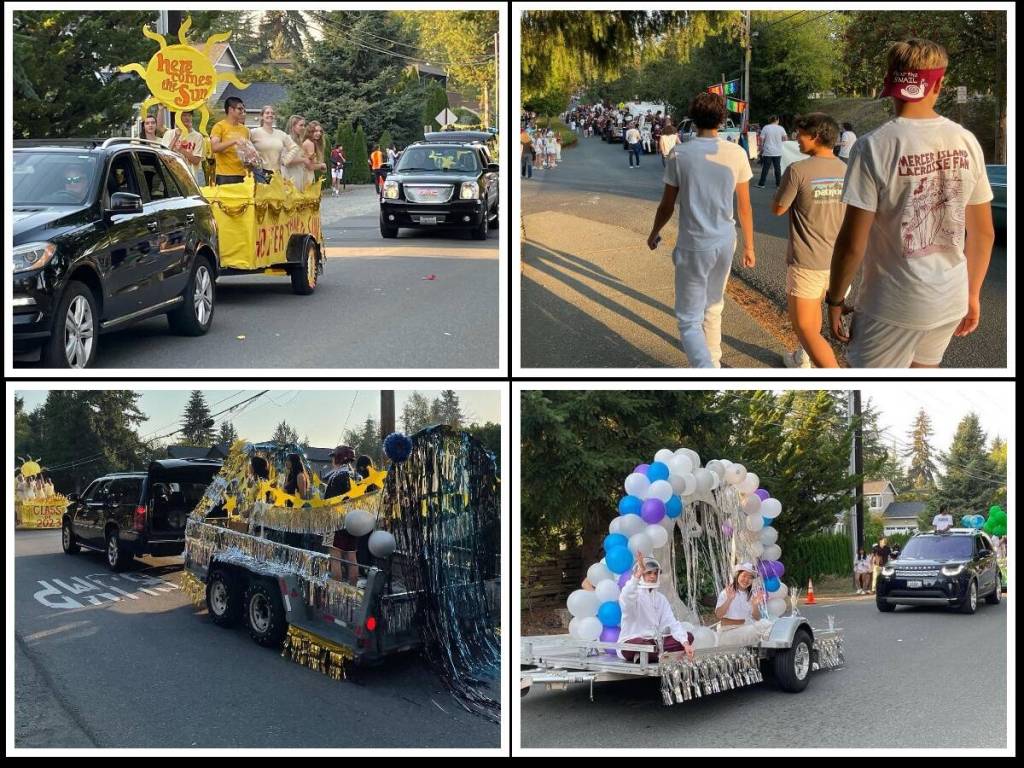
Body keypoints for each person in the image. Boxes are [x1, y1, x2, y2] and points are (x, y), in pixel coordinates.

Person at [826, 38, 995, 369]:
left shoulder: (873, 147)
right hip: (950, 300)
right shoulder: (966, 141)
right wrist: (972, 294)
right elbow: (984, 234)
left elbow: (851, 244)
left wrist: (835, 299)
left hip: (892, 305)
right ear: (939, 82)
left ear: (890, 78)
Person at [646, 91, 756, 368]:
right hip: (725, 239)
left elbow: (667, 205)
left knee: (688, 318)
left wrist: (654, 232)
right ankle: (714, 360)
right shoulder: (737, 153)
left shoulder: (680, 154)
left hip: (694, 242)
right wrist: (750, 247)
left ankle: (705, 370)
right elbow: (745, 207)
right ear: (722, 117)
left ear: (693, 119)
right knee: (714, 305)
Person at [772, 112, 848, 369]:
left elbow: (778, 208)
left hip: (807, 261)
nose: (796, 139)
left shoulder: (797, 170)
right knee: (814, 317)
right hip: (839, 263)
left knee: (805, 327)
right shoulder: (846, 170)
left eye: (800, 134)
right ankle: (802, 359)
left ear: (815, 136)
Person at [619, 551, 696, 662]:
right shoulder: (634, 595)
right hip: (635, 641)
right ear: (641, 575)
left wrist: (685, 643)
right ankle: (655, 655)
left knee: (688, 636)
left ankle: (650, 656)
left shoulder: (661, 598)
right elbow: (626, 596)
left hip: (655, 642)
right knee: (640, 645)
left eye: (655, 573)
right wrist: (639, 573)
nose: (653, 576)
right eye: (648, 573)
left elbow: (671, 622)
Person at [324, 445, 361, 584]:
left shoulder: (336, 477)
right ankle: (353, 589)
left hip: (334, 521)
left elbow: (328, 502)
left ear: (338, 458)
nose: (332, 460)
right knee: (352, 556)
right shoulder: (358, 476)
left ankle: (336, 591)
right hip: (354, 521)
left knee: (335, 556)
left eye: (333, 457)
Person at [715, 562, 772, 647]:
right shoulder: (726, 592)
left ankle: (767, 650)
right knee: (753, 630)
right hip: (727, 633)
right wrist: (729, 599)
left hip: (745, 630)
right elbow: (719, 615)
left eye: (750, 578)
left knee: (768, 624)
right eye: (744, 576)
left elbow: (757, 618)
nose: (746, 580)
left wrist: (754, 605)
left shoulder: (750, 595)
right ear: (737, 575)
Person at [249, 105, 298, 185]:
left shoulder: (281, 134)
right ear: (262, 116)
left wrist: (285, 160)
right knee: (261, 196)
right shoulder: (254, 132)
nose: (270, 115)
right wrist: (252, 158)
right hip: (259, 173)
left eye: (272, 113)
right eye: (267, 113)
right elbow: (245, 145)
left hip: (276, 173)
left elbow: (294, 147)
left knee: (275, 196)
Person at [209, 96, 251, 186]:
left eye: (243, 109)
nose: (242, 111)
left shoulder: (245, 130)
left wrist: (250, 154)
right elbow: (215, 148)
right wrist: (234, 141)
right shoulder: (219, 127)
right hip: (224, 175)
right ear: (230, 109)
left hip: (242, 174)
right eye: (239, 108)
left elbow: (246, 151)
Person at [162, 110, 206, 185]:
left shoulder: (198, 136)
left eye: (189, 115)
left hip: (193, 178)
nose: (187, 118)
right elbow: (164, 156)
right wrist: (176, 137)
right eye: (184, 115)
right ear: (178, 117)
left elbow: (196, 160)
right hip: (173, 176)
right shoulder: (169, 134)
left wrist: (181, 150)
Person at [757, 115, 787, 188]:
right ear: (777, 120)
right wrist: (779, 143)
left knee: (765, 168)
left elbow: (761, 139)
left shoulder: (766, 127)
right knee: (777, 168)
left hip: (768, 150)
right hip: (778, 151)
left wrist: (760, 147)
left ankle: (761, 184)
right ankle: (778, 185)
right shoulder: (781, 128)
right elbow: (785, 138)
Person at [300, 121, 327, 193]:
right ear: (310, 132)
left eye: (320, 131)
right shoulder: (310, 143)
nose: (319, 133)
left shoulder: (308, 142)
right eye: (315, 131)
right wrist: (322, 165)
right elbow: (310, 166)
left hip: (304, 175)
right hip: (306, 176)